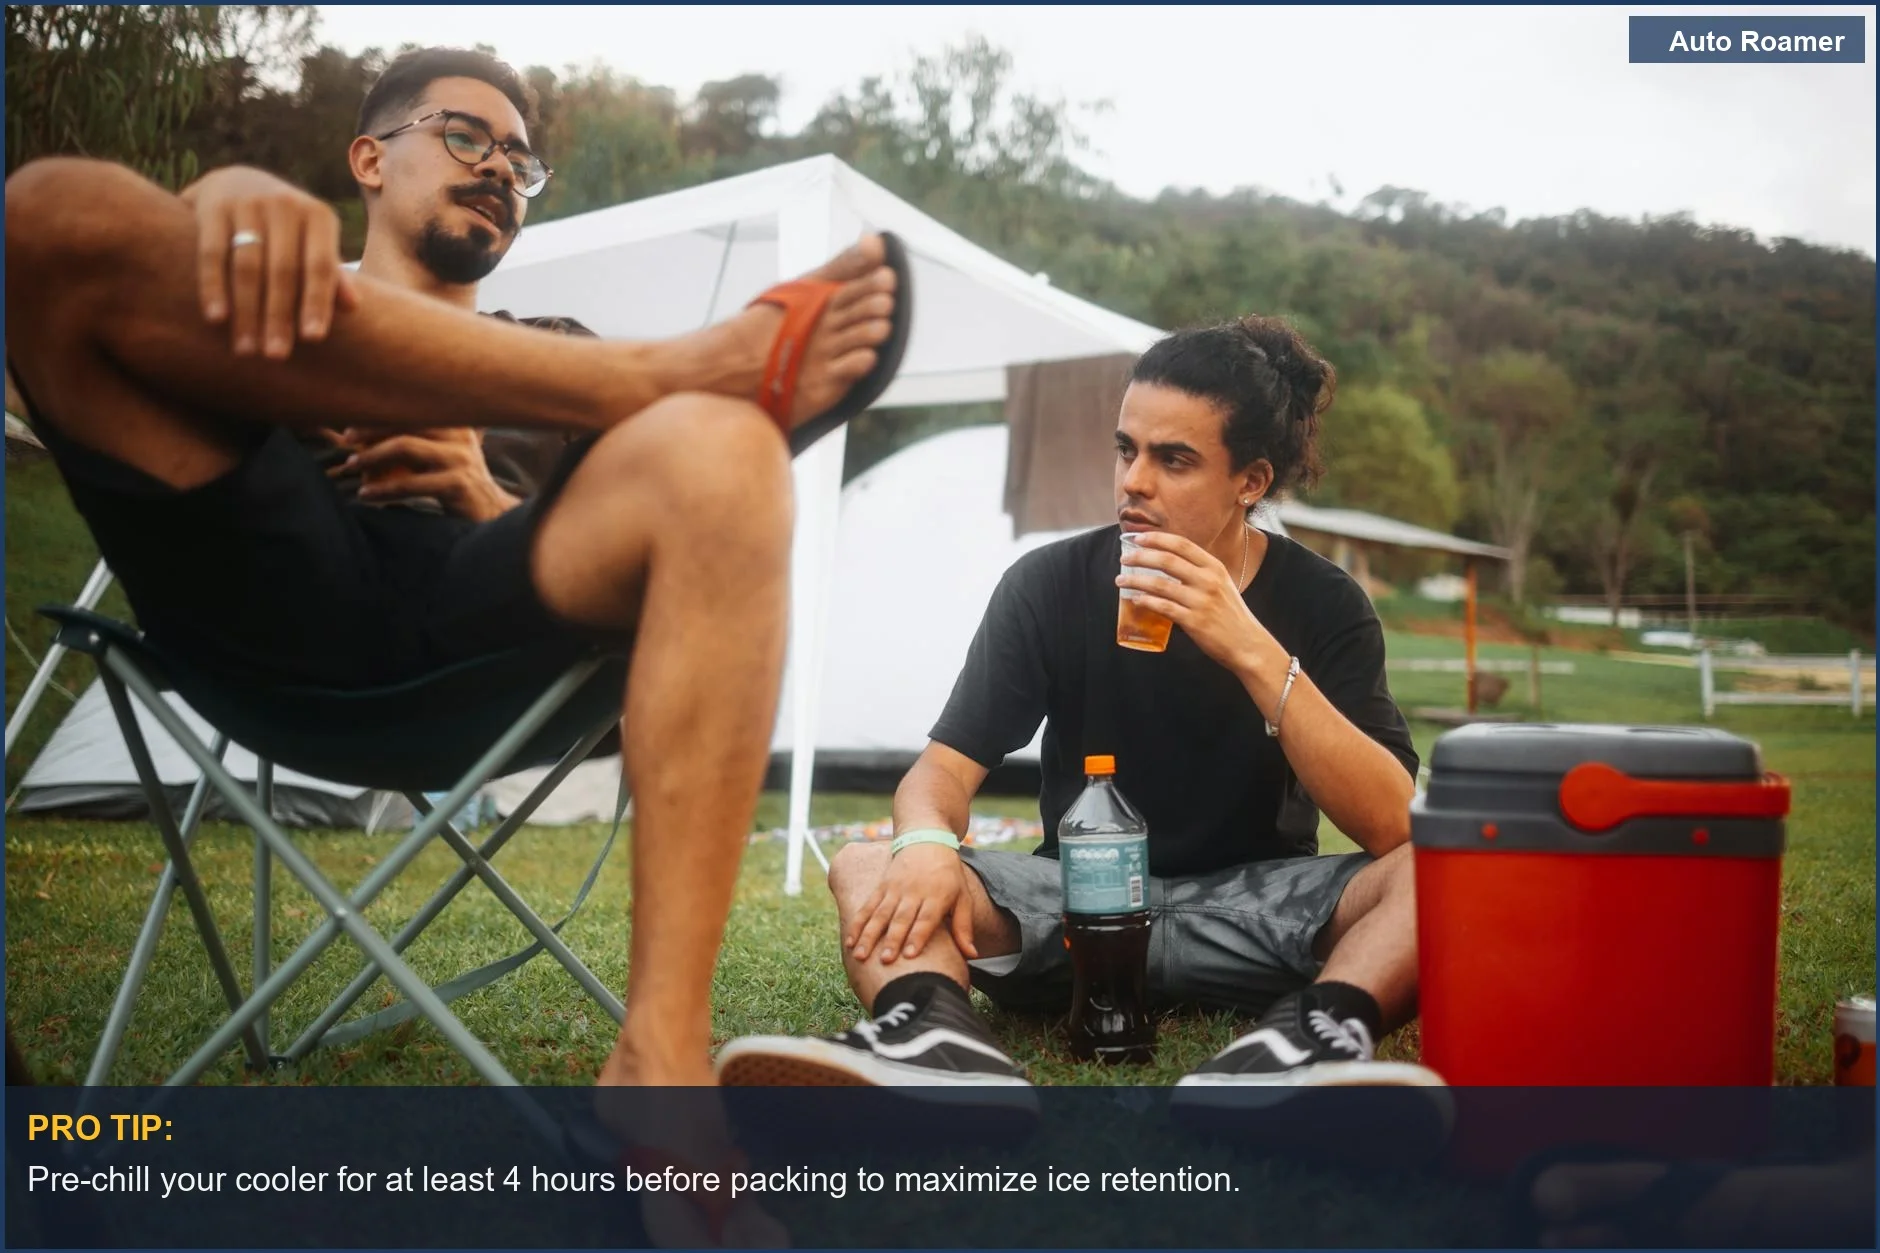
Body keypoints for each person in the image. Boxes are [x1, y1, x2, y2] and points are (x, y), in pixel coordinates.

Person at [5, 43, 907, 1151]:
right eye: (465, 137)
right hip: (267, 586)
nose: (498, 168)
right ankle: (662, 370)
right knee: (49, 210)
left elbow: (660, 610)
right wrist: (215, 204)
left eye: (521, 161)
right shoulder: (267, 275)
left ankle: (660, 1048)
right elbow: (100, 285)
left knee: (725, 448)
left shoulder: (550, 350)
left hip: (492, 624)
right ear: (368, 158)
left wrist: (482, 488)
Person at [717, 317, 1437, 1106]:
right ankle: (935, 1039)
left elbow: (1396, 825)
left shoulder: (1324, 602)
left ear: (1251, 481)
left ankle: (1313, 1039)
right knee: (866, 860)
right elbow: (942, 772)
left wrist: (1253, 651)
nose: (1134, 480)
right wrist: (925, 841)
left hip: (1258, 906)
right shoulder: (1052, 583)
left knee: (1441, 875)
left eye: (1175, 459)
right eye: (1127, 449)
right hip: (1078, 897)